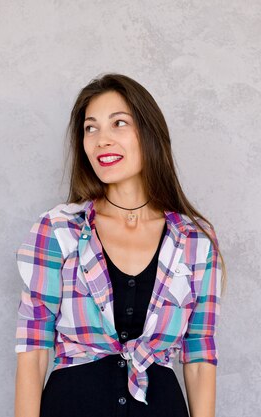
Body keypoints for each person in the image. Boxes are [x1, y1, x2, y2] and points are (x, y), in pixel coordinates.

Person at [13, 73, 227, 417]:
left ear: (149, 133)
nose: (101, 140)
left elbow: (200, 356)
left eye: (119, 123)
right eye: (91, 128)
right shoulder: (58, 230)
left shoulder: (195, 240)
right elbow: (34, 349)